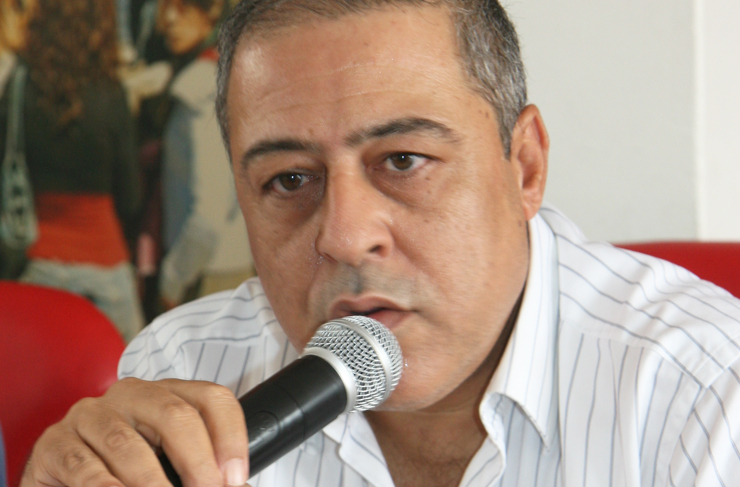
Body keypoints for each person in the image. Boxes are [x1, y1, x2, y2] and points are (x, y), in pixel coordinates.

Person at [20, 1, 740, 486]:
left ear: (524, 167)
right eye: (289, 179)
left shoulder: (706, 395)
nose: (344, 236)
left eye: (403, 160)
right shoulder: (183, 370)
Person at [0, 0, 145, 342]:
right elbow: (131, 198)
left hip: (35, 265)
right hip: (105, 269)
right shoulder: (111, 93)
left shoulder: (19, 86)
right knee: (136, 369)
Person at [155, 0, 253, 310]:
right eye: (165, 6)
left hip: (205, 275)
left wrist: (172, 282)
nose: (170, 19)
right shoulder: (232, 73)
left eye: (184, 7)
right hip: (220, 266)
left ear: (213, 13)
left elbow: (207, 216)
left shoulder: (202, 88)